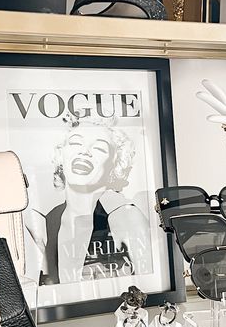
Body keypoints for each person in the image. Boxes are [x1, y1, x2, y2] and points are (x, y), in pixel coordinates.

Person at [25, 117, 152, 285]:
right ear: (60, 155)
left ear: (116, 164)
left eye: (100, 148)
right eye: (76, 143)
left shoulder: (125, 216)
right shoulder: (42, 224)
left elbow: (150, 287)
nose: (85, 151)